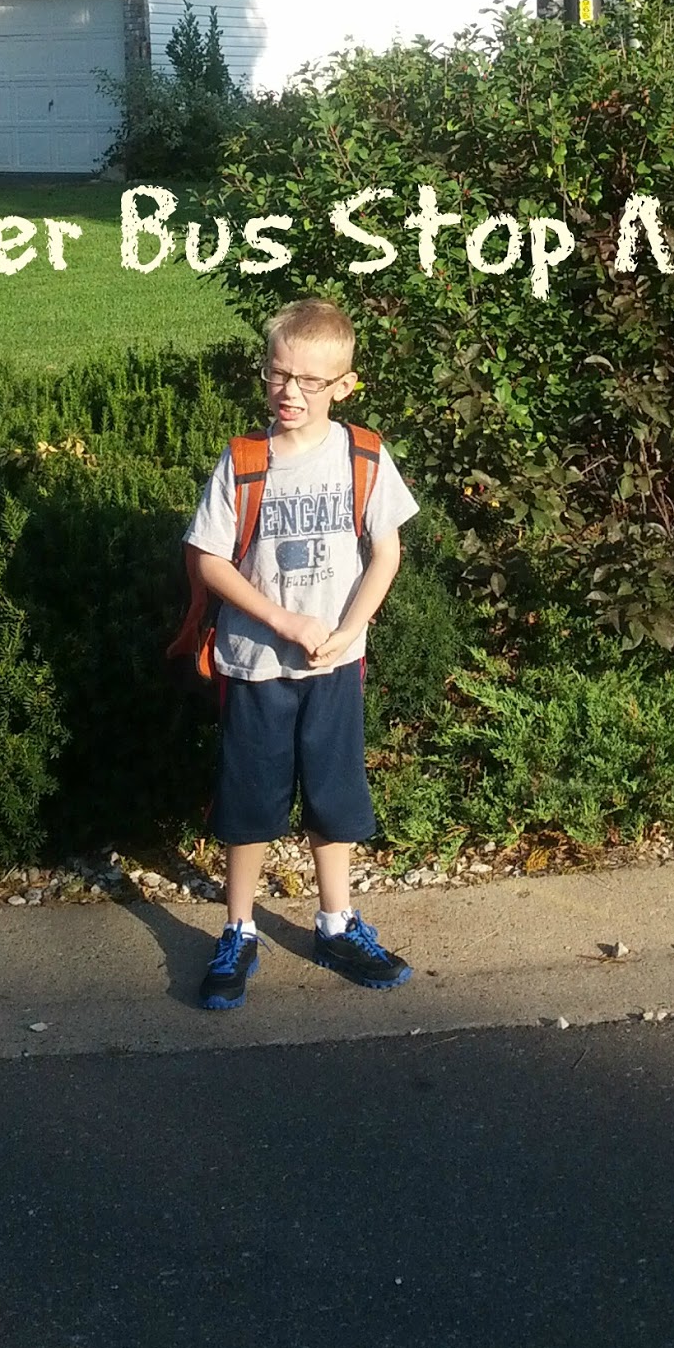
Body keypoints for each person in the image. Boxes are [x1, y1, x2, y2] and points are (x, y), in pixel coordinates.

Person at [182, 298, 419, 1009]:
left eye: (310, 381)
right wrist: (282, 619)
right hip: (256, 666)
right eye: (277, 373)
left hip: (334, 668)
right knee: (250, 801)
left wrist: (350, 630)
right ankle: (238, 928)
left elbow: (387, 550)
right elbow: (209, 560)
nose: (290, 392)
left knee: (334, 795)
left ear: (344, 384)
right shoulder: (244, 460)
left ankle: (336, 922)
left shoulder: (365, 456)